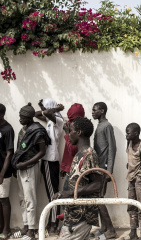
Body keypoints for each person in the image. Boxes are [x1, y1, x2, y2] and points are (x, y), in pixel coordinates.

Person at [53, 117, 102, 240]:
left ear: (79, 132)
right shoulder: (79, 154)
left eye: (71, 130)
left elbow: (97, 184)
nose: (68, 134)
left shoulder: (89, 155)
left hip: (81, 217)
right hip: (73, 216)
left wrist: (69, 193)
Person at [11, 102, 51, 239]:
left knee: (30, 199)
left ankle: (32, 230)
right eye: (19, 116)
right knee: (22, 198)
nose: (20, 119)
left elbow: (41, 152)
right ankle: (26, 225)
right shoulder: (23, 130)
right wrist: (16, 166)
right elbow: (19, 149)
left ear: (29, 117)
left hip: (29, 167)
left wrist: (25, 164)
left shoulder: (37, 130)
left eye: (22, 117)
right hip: (20, 168)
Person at [35, 98, 64, 234]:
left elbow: (46, 113)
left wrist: (56, 109)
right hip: (50, 159)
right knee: (52, 192)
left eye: (46, 107)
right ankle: (53, 222)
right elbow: (36, 114)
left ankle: (53, 224)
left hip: (49, 160)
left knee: (52, 194)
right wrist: (43, 107)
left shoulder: (57, 120)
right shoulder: (50, 120)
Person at [92, 102, 117, 239]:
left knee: (99, 198)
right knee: (98, 198)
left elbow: (112, 149)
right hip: (97, 168)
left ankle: (111, 230)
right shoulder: (99, 125)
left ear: (102, 111)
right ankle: (104, 227)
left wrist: (109, 171)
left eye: (95, 110)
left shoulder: (107, 126)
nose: (93, 112)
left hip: (103, 169)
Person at [60, 103, 85, 185]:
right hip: (69, 168)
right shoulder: (71, 126)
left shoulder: (80, 130)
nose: (70, 122)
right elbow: (66, 150)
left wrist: (67, 133)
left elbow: (72, 150)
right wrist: (65, 166)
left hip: (75, 170)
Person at [0, 104, 14, 240]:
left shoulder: (8, 129)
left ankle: (6, 229)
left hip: (3, 171)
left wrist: (2, 173)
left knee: (4, 199)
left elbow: (9, 153)